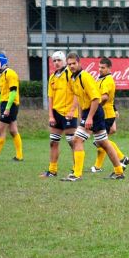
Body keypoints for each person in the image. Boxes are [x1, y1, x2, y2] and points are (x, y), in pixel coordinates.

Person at [61, 52, 124, 182]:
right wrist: (74, 111)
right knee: (104, 143)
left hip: (94, 112)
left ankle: (77, 174)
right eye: (69, 64)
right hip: (89, 112)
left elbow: (96, 99)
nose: (71, 66)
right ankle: (119, 171)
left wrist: (89, 117)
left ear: (79, 63)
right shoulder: (74, 78)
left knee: (77, 140)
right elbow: (79, 97)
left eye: (74, 63)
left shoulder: (85, 77)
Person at [40, 50, 78, 178]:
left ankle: (76, 170)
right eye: (54, 61)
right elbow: (50, 98)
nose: (56, 63)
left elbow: (78, 93)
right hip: (56, 113)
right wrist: (50, 115)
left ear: (64, 61)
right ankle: (52, 171)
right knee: (53, 142)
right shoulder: (52, 77)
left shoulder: (70, 74)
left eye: (59, 60)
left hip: (68, 114)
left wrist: (72, 110)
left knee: (72, 142)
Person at [90, 57, 129, 177]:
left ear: (109, 68)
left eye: (103, 67)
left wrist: (94, 107)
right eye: (99, 67)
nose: (100, 69)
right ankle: (99, 166)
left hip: (106, 115)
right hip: (105, 114)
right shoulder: (101, 79)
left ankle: (122, 159)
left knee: (101, 141)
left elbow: (105, 97)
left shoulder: (107, 80)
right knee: (100, 141)